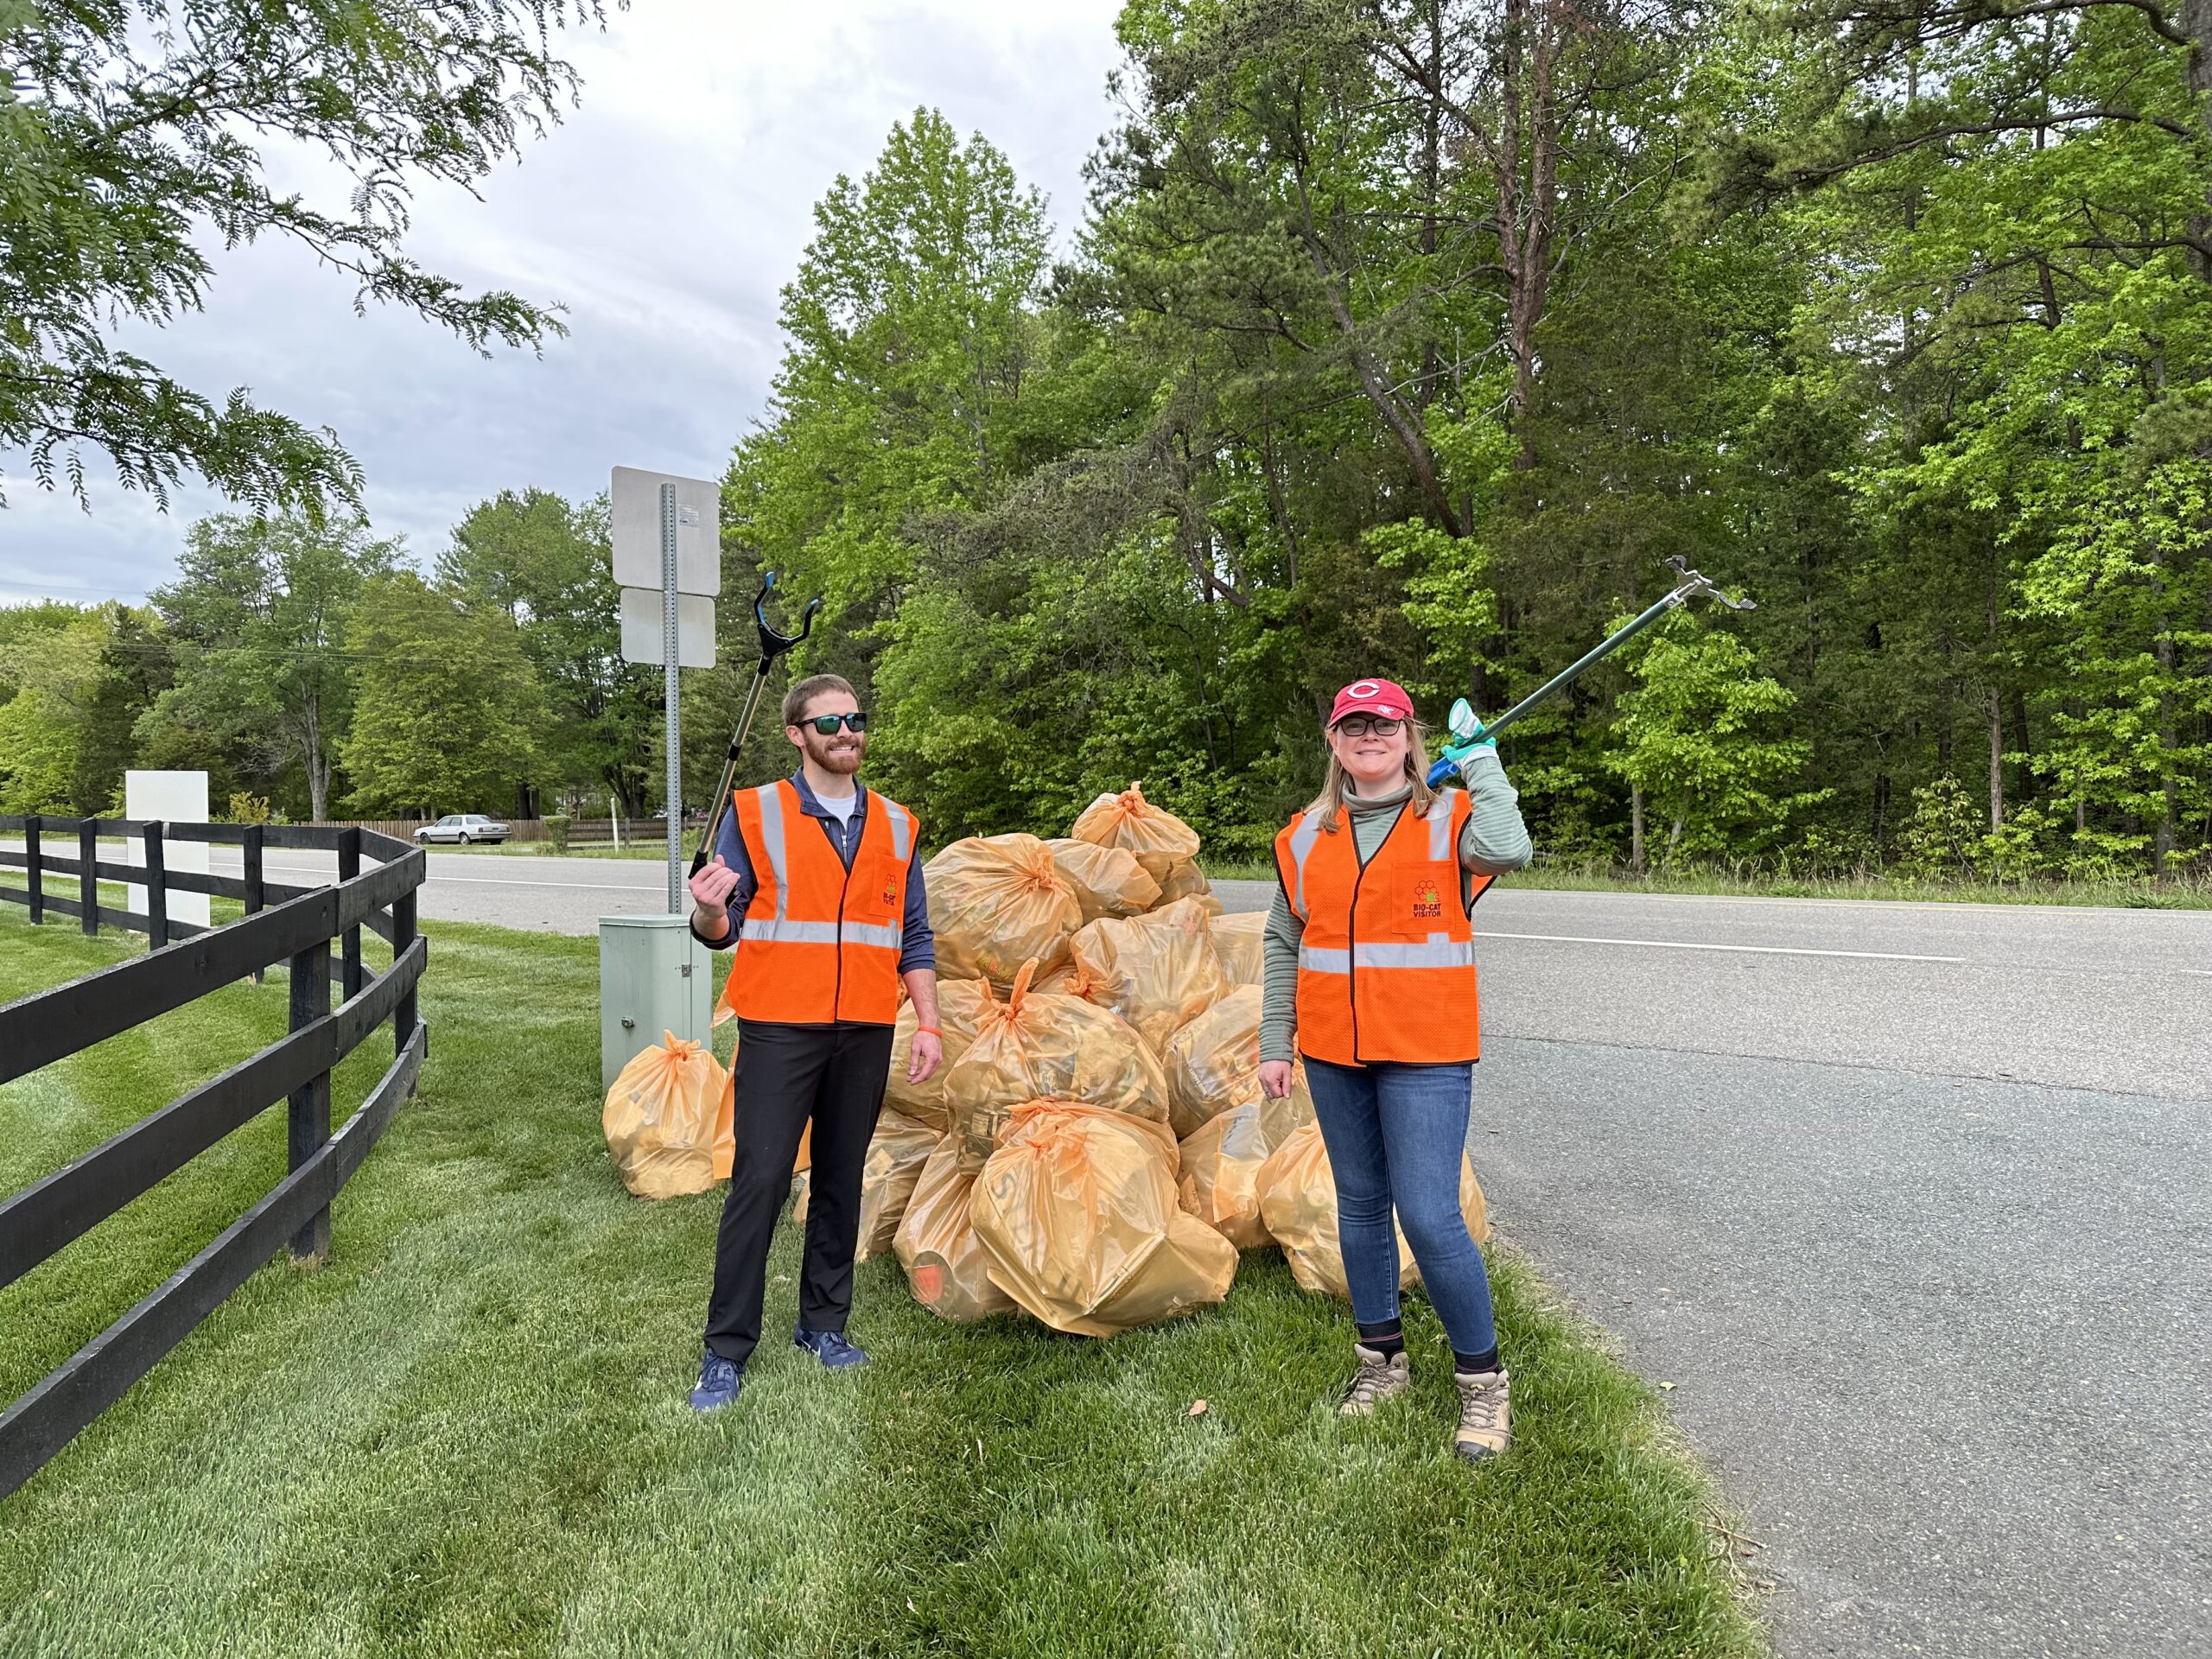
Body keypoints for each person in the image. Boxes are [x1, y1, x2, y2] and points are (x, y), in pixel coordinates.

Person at [1257, 677, 1532, 1463]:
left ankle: (1483, 1382)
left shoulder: (1453, 819)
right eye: (1353, 725)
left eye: (1385, 723)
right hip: (1335, 1053)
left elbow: (1512, 851)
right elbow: (1284, 940)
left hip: (1427, 1051)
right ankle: (1381, 1361)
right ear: (1335, 743)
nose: (1369, 735)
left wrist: (1483, 763)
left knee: (1430, 1214)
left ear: (1411, 737)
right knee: (1360, 1205)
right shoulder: (1305, 837)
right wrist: (1277, 1041)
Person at [683, 672, 942, 1412]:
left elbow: (913, 933)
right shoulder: (755, 813)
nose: (847, 733)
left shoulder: (896, 824)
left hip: (863, 1028)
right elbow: (719, 928)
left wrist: (928, 1021)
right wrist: (705, 912)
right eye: (829, 724)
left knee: (840, 1181)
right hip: (779, 1028)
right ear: (797, 735)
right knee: (760, 1184)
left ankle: (823, 1326)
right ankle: (726, 1351)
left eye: (855, 719)